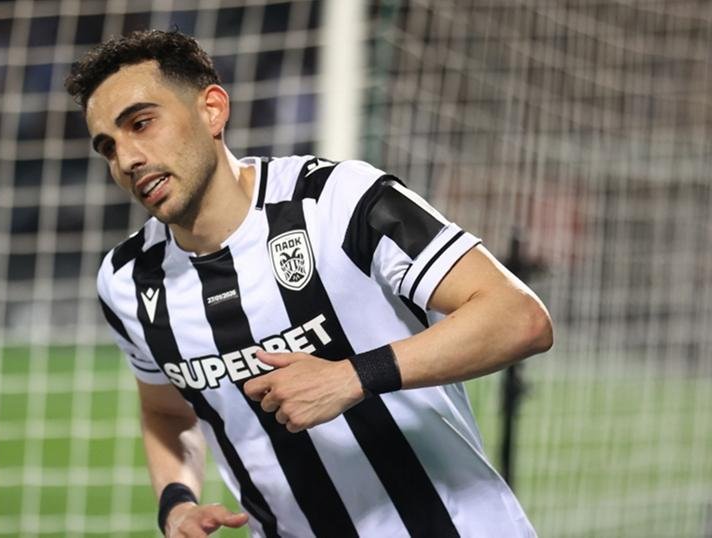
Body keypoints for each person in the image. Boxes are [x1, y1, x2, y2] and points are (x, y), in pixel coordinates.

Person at [65, 29, 553, 538]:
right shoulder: (128, 281)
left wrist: (352, 377)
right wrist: (176, 502)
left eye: (141, 123)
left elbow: (520, 318)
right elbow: (166, 412)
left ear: (212, 109)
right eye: (108, 147)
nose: (127, 159)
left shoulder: (339, 201)